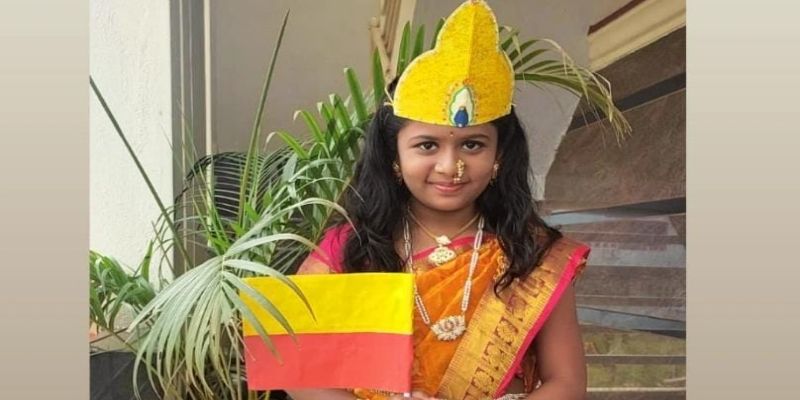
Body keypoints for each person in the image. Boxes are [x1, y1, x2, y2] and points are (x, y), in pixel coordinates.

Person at [287, 1, 590, 399]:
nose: (451, 166)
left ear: (499, 156)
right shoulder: (348, 248)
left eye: (473, 145)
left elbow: (567, 383)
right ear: (394, 157)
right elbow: (298, 370)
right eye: (427, 145)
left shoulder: (534, 254)